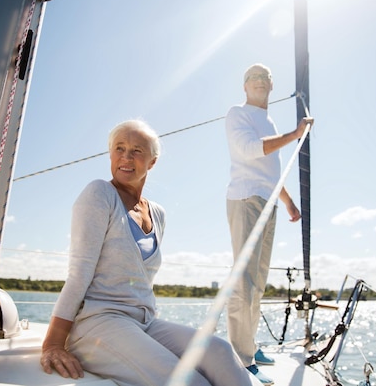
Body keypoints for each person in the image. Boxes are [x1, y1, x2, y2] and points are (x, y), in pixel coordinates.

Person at [40, 119, 262, 386]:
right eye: (119, 148)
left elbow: (141, 279)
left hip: (145, 322)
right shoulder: (99, 193)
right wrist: (53, 343)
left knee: (221, 352)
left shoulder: (157, 213)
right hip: (98, 322)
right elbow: (79, 273)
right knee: (188, 380)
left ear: (152, 162)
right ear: (110, 154)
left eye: (137, 150)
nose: (126, 157)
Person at [225, 64, 314, 385]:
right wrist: (294, 135)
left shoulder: (269, 121)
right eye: (253, 77)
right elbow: (250, 151)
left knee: (258, 280)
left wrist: (288, 201)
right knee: (244, 278)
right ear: (245, 85)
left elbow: (271, 171)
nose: (259, 81)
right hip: (246, 198)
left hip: (268, 200)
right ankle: (239, 356)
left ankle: (249, 345)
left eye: (265, 78)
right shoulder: (238, 113)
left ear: (272, 86)